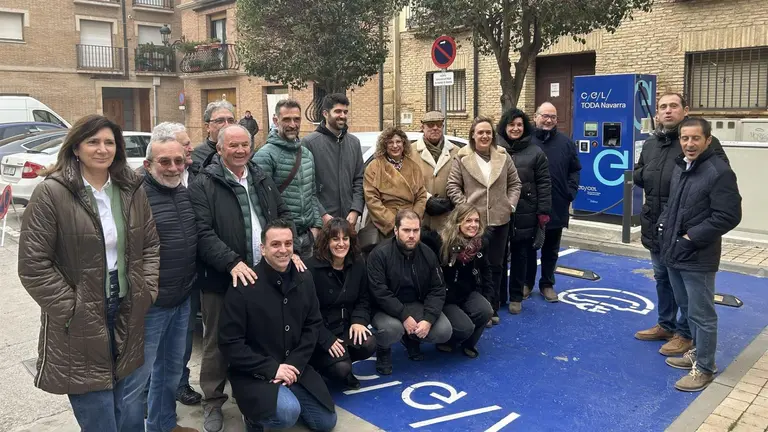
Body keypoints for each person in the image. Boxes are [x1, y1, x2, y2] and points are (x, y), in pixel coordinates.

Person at [18, 115, 160, 431]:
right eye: (93, 141)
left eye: (109, 142)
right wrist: (72, 308)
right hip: (80, 314)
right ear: (76, 148)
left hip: (126, 306)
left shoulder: (130, 188)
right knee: (99, 417)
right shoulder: (52, 193)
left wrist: (147, 289)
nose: (102, 149)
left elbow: (150, 245)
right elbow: (33, 266)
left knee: (129, 409)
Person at [188, 124, 297, 432]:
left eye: (244, 145)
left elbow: (283, 214)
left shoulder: (261, 177)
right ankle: (213, 401)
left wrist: (289, 246)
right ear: (219, 148)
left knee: (260, 337)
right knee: (216, 342)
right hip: (224, 278)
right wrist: (230, 262)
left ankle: (253, 396)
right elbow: (202, 231)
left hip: (264, 275)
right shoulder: (204, 184)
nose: (239, 150)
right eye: (232, 145)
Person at [633, 93, 729, 357]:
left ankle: (685, 334)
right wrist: (645, 173)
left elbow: (717, 180)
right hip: (656, 224)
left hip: (685, 228)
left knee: (685, 287)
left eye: (673, 106)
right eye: (662, 107)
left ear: (685, 110)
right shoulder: (652, 143)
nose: (667, 111)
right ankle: (666, 324)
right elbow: (640, 173)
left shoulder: (697, 143)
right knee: (663, 278)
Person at [219, 219, 337, 432]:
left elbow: (313, 325)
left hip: (294, 367)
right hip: (254, 373)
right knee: (287, 413)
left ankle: (284, 397)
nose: (283, 250)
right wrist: (273, 369)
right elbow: (230, 344)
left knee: (326, 422)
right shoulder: (244, 286)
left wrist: (293, 365)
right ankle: (253, 418)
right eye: (275, 244)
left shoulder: (304, 278)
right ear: (262, 249)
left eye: (288, 243)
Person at [120, 136, 199, 432]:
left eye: (179, 161)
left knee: (169, 371)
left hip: (181, 300)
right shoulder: (134, 197)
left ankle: (163, 425)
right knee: (135, 380)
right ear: (148, 164)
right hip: (149, 305)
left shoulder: (183, 192)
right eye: (164, 161)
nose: (173, 167)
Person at [658, 117, 741, 392]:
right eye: (684, 138)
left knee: (702, 314)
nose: (689, 144)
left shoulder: (719, 171)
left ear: (708, 140)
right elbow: (676, 205)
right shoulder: (682, 166)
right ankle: (697, 352)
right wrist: (665, 227)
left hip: (698, 256)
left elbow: (728, 215)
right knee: (687, 308)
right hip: (674, 251)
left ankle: (705, 368)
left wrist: (690, 237)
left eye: (695, 138)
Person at [446, 116, 521, 325]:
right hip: (472, 224)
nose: (485, 136)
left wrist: (510, 205)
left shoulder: (503, 156)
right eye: (480, 132)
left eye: (488, 132)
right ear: (473, 135)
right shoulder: (461, 157)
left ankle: (492, 307)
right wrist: (466, 210)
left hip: (499, 220)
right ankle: (476, 310)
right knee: (473, 266)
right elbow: (452, 186)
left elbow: (515, 184)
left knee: (495, 266)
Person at [367, 210, 452, 375]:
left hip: (415, 304)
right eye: (406, 230)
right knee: (393, 329)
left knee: (444, 331)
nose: (411, 235)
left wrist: (428, 319)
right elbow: (379, 292)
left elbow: (438, 288)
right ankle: (383, 349)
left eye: (415, 230)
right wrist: (404, 316)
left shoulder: (427, 253)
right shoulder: (379, 254)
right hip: (383, 307)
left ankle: (411, 338)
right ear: (396, 231)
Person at [306, 218, 376, 390]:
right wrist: (326, 339)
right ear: (326, 242)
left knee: (369, 343)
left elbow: (364, 298)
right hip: (320, 332)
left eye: (345, 239)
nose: (341, 244)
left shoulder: (358, 263)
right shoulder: (311, 269)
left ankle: (343, 360)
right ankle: (320, 367)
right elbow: (305, 314)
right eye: (335, 239)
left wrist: (359, 321)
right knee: (341, 368)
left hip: (345, 326)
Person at [496, 108, 551, 315]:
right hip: (500, 211)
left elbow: (544, 184)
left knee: (521, 255)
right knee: (498, 257)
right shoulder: (495, 149)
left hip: (526, 211)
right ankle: (499, 295)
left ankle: (516, 296)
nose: (515, 128)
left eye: (519, 125)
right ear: (505, 127)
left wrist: (543, 212)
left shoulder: (535, 152)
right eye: (511, 125)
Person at [253, 99, 322, 258]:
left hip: (308, 237)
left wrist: (317, 227)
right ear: (275, 120)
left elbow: (311, 194)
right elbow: (263, 205)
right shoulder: (265, 155)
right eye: (286, 119)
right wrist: (285, 240)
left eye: (296, 119)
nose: (292, 124)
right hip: (282, 242)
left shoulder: (306, 154)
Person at [526, 102, 581, 302]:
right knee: (529, 248)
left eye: (553, 117)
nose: (549, 120)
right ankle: (527, 283)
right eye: (545, 116)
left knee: (551, 248)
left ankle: (547, 284)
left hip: (557, 204)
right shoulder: (526, 141)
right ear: (535, 117)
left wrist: (571, 191)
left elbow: (575, 169)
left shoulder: (566, 143)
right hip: (530, 206)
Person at [432, 204, 494, 358]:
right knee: (464, 327)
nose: (473, 225)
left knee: (486, 310)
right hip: (446, 298)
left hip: (468, 292)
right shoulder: (441, 242)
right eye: (468, 221)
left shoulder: (481, 243)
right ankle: (450, 341)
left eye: (476, 221)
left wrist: (488, 297)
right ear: (457, 222)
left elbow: (486, 270)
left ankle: (469, 343)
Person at [301, 93, 365, 226]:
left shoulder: (354, 143)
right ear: (325, 113)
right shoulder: (309, 143)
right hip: (321, 222)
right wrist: (322, 214)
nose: (342, 115)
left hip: (348, 221)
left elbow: (359, 179)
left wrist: (355, 210)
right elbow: (305, 185)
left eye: (345, 112)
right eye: (337, 111)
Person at [363, 127, 428, 240]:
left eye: (398, 142)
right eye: (390, 142)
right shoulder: (374, 166)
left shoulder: (414, 167)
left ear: (404, 144)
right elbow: (371, 198)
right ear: (384, 145)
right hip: (384, 225)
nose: (395, 146)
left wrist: (412, 219)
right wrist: (393, 223)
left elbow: (421, 196)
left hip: (409, 224)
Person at [408, 111, 459, 230]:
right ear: (422, 127)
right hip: (420, 217)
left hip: (447, 218)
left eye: (439, 124)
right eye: (430, 125)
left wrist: (451, 202)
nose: (435, 128)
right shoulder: (410, 152)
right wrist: (426, 199)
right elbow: (406, 182)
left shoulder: (456, 152)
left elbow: (461, 181)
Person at [191, 100, 237, 175]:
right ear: (207, 127)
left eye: (231, 120)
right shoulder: (195, 156)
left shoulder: (242, 152)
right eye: (220, 121)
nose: (227, 125)